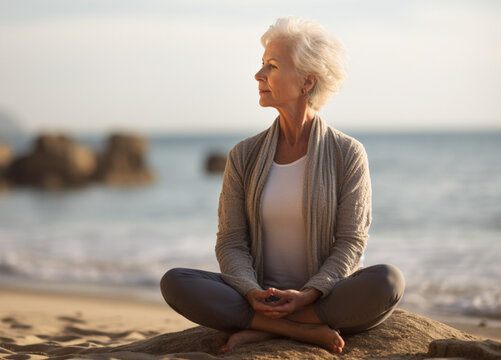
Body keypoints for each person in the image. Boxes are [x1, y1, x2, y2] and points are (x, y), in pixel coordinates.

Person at [160, 16, 405, 355]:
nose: (258, 76)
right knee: (176, 282)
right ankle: (300, 329)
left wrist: (309, 293)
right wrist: (249, 292)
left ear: (307, 81)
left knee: (388, 281)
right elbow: (231, 241)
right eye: (262, 65)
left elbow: (352, 242)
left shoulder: (347, 153)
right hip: (258, 296)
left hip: (325, 296)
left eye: (272, 66)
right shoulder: (244, 155)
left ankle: (266, 327)